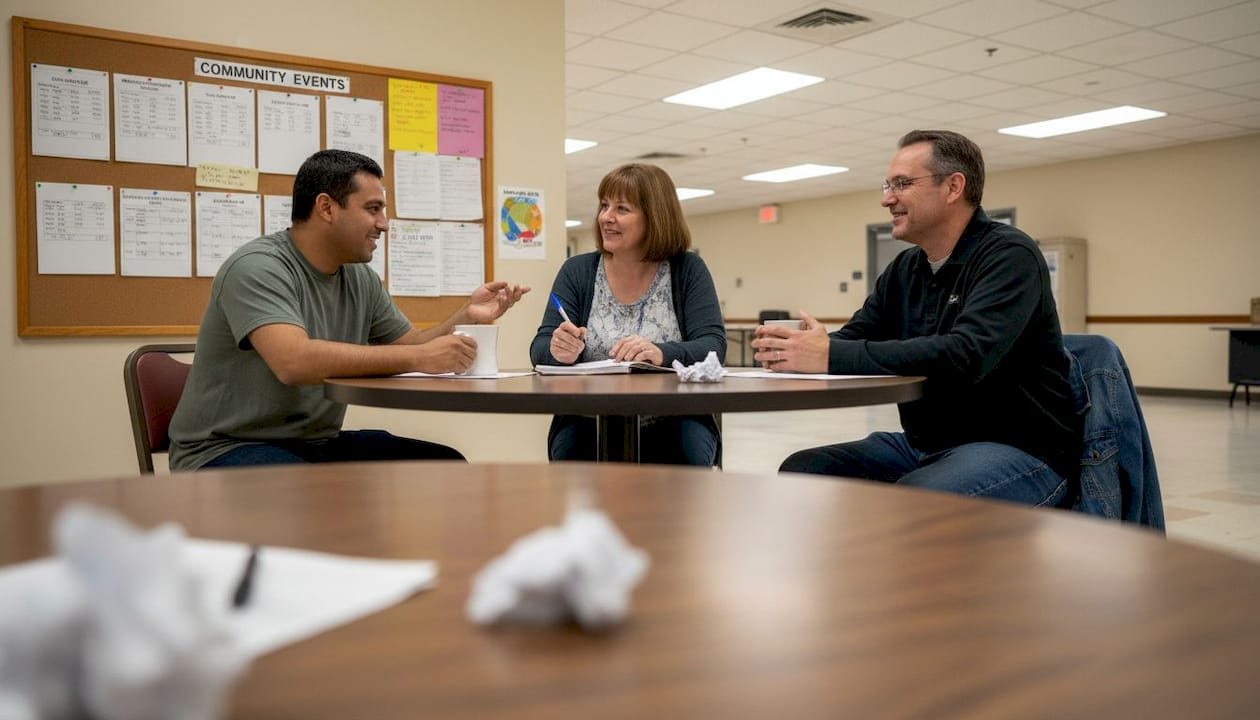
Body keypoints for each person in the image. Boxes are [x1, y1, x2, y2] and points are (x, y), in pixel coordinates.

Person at [753, 130, 1082, 506]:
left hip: (1019, 449)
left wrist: (827, 354)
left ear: (953, 187)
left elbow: (965, 355)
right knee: (805, 469)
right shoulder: (905, 269)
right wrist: (801, 348)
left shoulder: (1009, 255)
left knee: (916, 499)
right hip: (926, 446)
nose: (886, 198)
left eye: (902, 184)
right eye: (887, 185)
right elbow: (858, 336)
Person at [168, 149, 529, 470]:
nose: (384, 223)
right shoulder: (257, 267)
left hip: (316, 445)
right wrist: (419, 357)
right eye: (373, 209)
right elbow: (293, 362)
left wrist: (465, 316)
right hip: (224, 449)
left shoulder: (359, 277)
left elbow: (411, 345)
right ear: (326, 208)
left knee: (445, 467)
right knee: (316, 498)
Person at [530, 163, 726, 465]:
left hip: (676, 418)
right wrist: (558, 350)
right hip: (587, 419)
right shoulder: (577, 271)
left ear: (655, 217)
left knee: (683, 473)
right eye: (604, 206)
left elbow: (713, 347)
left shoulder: (687, 269)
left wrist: (660, 353)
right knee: (573, 473)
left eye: (622, 209)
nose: (606, 217)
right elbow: (540, 348)